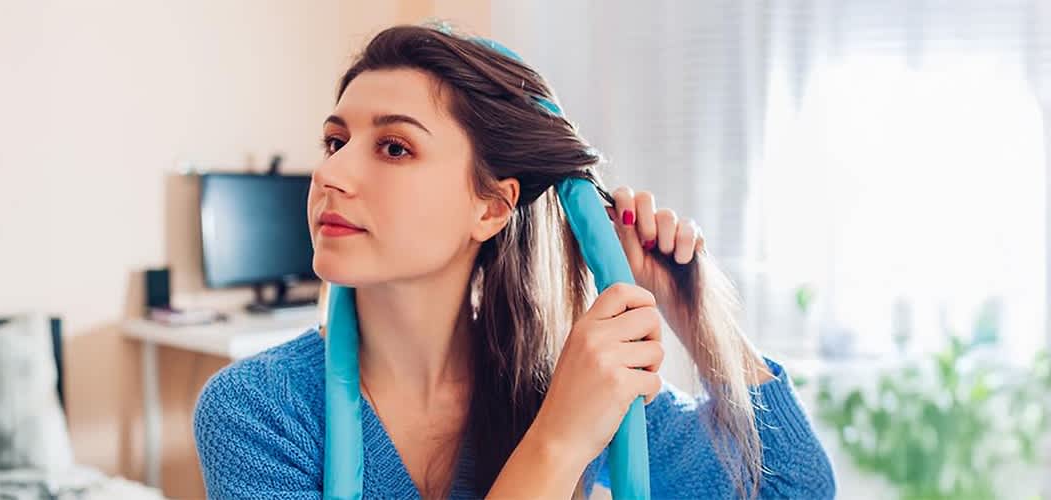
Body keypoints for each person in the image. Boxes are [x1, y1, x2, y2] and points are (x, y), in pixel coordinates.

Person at [195, 24, 836, 499]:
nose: (331, 172)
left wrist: (692, 315)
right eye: (335, 140)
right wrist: (558, 442)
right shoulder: (257, 410)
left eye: (392, 147)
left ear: (493, 208)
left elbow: (795, 490)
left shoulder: (560, 377)